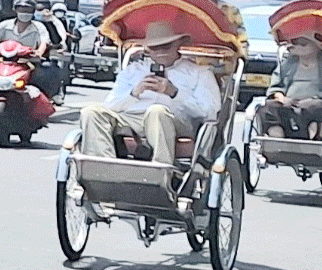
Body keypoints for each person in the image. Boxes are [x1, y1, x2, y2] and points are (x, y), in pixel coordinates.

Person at [76, 19, 222, 167]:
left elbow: (210, 112)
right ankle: (103, 169)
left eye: (166, 47)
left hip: (178, 119)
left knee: (156, 111)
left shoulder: (199, 73)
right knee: (91, 112)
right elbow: (110, 105)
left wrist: (174, 93)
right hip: (133, 117)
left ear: (177, 45)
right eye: (154, 48)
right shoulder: (133, 71)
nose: (160, 52)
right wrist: (134, 93)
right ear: (147, 49)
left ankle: (162, 169)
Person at [258, 31, 322, 138]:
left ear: (316, 46)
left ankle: (313, 135)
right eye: (295, 42)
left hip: (315, 103)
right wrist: (281, 97)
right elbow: (276, 86)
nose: (298, 46)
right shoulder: (287, 64)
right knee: (269, 106)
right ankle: (277, 135)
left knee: (315, 107)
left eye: (303, 43)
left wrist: (312, 99)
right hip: (288, 103)